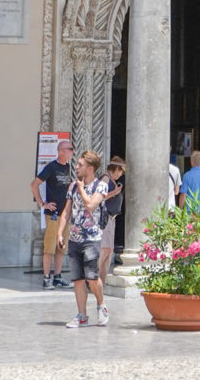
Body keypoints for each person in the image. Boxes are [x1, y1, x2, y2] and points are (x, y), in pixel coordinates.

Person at [62, 151, 111, 328]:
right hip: (75, 238)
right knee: (78, 279)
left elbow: (90, 205)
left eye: (80, 165)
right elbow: (67, 211)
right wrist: (61, 232)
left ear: (90, 168)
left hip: (92, 237)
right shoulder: (72, 187)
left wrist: (82, 188)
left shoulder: (101, 186)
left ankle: (101, 305)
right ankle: (82, 315)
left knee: (92, 277)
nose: (76, 167)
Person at [30, 136, 75, 289]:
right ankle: (46, 277)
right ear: (62, 151)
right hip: (54, 214)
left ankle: (58, 276)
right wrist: (43, 204)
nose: (72, 152)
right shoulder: (51, 167)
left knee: (61, 247)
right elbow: (34, 184)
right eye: (70, 149)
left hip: (65, 214)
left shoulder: (69, 168)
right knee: (49, 247)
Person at [98, 155, 126, 278]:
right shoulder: (105, 179)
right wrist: (114, 193)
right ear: (116, 168)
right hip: (105, 217)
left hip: (111, 218)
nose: (120, 175)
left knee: (109, 250)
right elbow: (99, 196)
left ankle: (101, 280)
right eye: (120, 172)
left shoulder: (111, 180)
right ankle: (94, 278)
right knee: (104, 249)